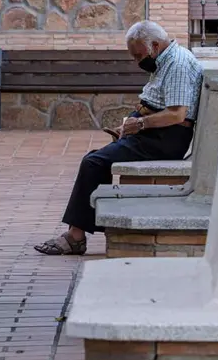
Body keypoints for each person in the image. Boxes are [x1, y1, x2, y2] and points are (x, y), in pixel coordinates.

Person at [34, 21, 203, 255]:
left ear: (154, 45)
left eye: (138, 55)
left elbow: (177, 114)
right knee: (98, 160)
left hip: (165, 139)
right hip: (152, 132)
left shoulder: (178, 63)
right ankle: (84, 229)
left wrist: (141, 123)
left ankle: (76, 236)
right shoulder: (165, 60)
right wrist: (131, 126)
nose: (137, 61)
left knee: (93, 162)